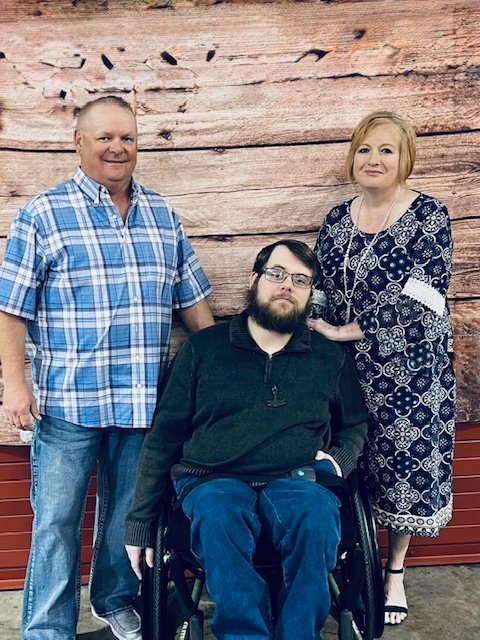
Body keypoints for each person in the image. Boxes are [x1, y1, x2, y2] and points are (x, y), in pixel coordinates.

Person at [0, 95, 214, 640]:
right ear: (79, 143)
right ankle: (48, 628)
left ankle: (113, 599)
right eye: (104, 137)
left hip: (143, 402)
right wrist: (14, 385)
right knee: (56, 522)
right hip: (68, 403)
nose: (117, 148)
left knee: (127, 515)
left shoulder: (162, 216)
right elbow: (11, 309)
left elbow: (192, 302)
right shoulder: (43, 215)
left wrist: (219, 369)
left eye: (127, 138)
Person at [124, 239, 369, 640]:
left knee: (315, 514)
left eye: (301, 280)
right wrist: (140, 522)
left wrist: (339, 459)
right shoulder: (204, 349)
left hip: (297, 477)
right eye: (277, 274)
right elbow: (164, 437)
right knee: (219, 513)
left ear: (310, 294)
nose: (287, 285)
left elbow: (355, 423)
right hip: (211, 477)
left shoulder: (328, 357)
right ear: (254, 280)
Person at [307, 110, 456, 626]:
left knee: (403, 466)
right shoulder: (337, 220)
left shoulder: (428, 216)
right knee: (352, 460)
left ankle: (393, 571)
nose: (374, 159)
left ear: (405, 158)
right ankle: (354, 560)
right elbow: (320, 286)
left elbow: (426, 296)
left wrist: (347, 330)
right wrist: (313, 324)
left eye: (386, 150)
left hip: (410, 371)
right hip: (345, 371)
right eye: (365, 149)